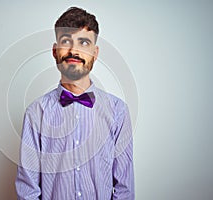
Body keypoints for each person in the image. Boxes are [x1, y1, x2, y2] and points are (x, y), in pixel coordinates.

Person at [15, 7, 134, 200]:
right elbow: (27, 190)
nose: (74, 50)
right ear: (55, 51)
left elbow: (124, 188)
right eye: (66, 41)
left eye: (84, 42)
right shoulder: (36, 113)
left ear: (95, 53)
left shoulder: (118, 111)